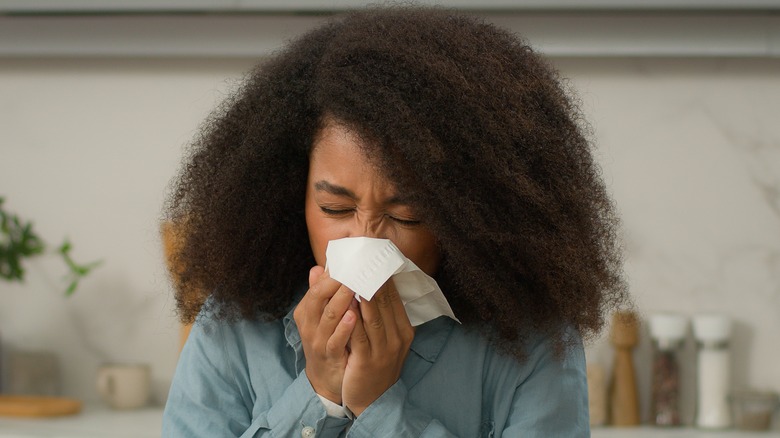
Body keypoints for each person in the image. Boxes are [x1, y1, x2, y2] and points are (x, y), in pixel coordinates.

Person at [162, 6, 627, 437]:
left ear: (466, 216)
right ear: (289, 197)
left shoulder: (532, 345)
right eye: (335, 210)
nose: (365, 239)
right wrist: (319, 394)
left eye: (406, 215)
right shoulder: (233, 328)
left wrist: (380, 407)